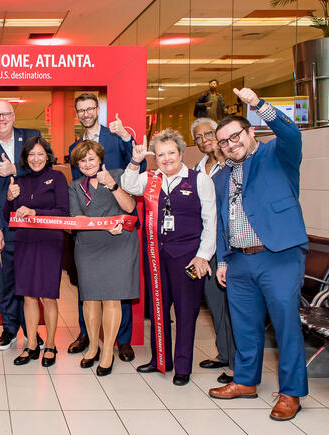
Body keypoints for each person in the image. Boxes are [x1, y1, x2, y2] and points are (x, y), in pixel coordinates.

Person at [208, 88, 309, 421]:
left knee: (285, 325)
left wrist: (258, 105)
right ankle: (246, 381)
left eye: (234, 136)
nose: (230, 144)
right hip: (239, 260)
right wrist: (223, 259)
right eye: (223, 142)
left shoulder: (277, 155)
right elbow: (224, 218)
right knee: (245, 326)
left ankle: (291, 392)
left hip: (278, 255)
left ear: (251, 132)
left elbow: (291, 132)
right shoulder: (224, 175)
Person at [121, 129, 216, 386]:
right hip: (155, 255)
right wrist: (134, 160)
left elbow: (210, 221)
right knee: (158, 309)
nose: (166, 159)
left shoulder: (199, 180)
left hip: (188, 257)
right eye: (161, 154)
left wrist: (203, 256)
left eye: (171, 153)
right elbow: (127, 185)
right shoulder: (150, 179)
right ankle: (160, 359)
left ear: (181, 153)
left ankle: (183, 366)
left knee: (186, 312)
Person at [66, 92, 137, 362]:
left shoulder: (114, 136)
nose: (85, 113)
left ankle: (122, 341)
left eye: (90, 108)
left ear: (97, 109)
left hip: (117, 218)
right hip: (90, 231)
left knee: (117, 292)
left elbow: (134, 165)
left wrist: (128, 138)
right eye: (80, 110)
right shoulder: (76, 146)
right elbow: (78, 190)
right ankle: (89, 337)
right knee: (89, 293)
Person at [0, 100, 41, 350]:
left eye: (5, 114)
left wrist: (15, 169)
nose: (1, 119)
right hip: (4, 224)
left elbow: (46, 166)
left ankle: (32, 331)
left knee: (31, 280)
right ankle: (10, 329)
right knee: (6, 279)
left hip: (33, 223)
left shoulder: (32, 137)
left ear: (13, 115)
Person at [5, 137, 68, 367]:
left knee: (48, 296)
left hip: (49, 243)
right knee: (29, 296)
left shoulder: (58, 178)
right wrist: (10, 199)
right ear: (25, 157)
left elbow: (63, 212)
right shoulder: (19, 180)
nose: (36, 158)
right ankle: (31, 344)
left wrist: (35, 211)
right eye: (31, 154)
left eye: (40, 154)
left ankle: (50, 344)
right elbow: (9, 216)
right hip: (24, 242)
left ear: (48, 155)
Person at [190, 118, 235, 384]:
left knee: (233, 306)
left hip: (229, 246)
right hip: (206, 246)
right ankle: (224, 353)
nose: (205, 139)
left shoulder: (231, 164)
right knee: (216, 303)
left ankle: (238, 363)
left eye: (209, 133)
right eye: (199, 137)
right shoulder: (198, 169)